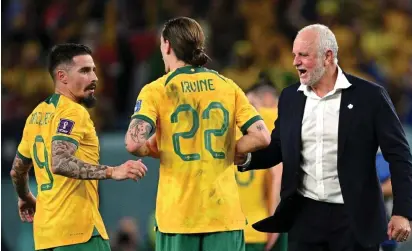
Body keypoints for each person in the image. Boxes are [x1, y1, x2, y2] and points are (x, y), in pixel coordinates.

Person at [235, 24, 412, 251]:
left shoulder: (370, 97)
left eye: (303, 55)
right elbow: (279, 148)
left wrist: (402, 212)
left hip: (353, 219)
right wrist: (246, 159)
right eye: (294, 55)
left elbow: (399, 156)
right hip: (305, 218)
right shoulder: (291, 97)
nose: (295, 62)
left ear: (328, 56)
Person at [124, 16, 271, 251]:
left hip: (178, 218)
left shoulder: (157, 90)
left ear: (167, 45)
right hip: (224, 214)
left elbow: (133, 143)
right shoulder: (227, 85)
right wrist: (227, 150)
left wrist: (157, 147)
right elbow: (262, 136)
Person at [10, 43, 148, 251]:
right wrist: (113, 171)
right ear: (62, 76)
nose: (94, 78)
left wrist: (25, 196)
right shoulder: (74, 112)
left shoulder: (36, 116)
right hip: (79, 235)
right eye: (84, 71)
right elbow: (60, 162)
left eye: (93, 69)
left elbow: (17, 171)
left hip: (45, 238)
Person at [234, 84, 285, 251]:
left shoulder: (227, 126)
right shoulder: (269, 119)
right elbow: (276, 176)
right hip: (265, 221)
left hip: (230, 226)